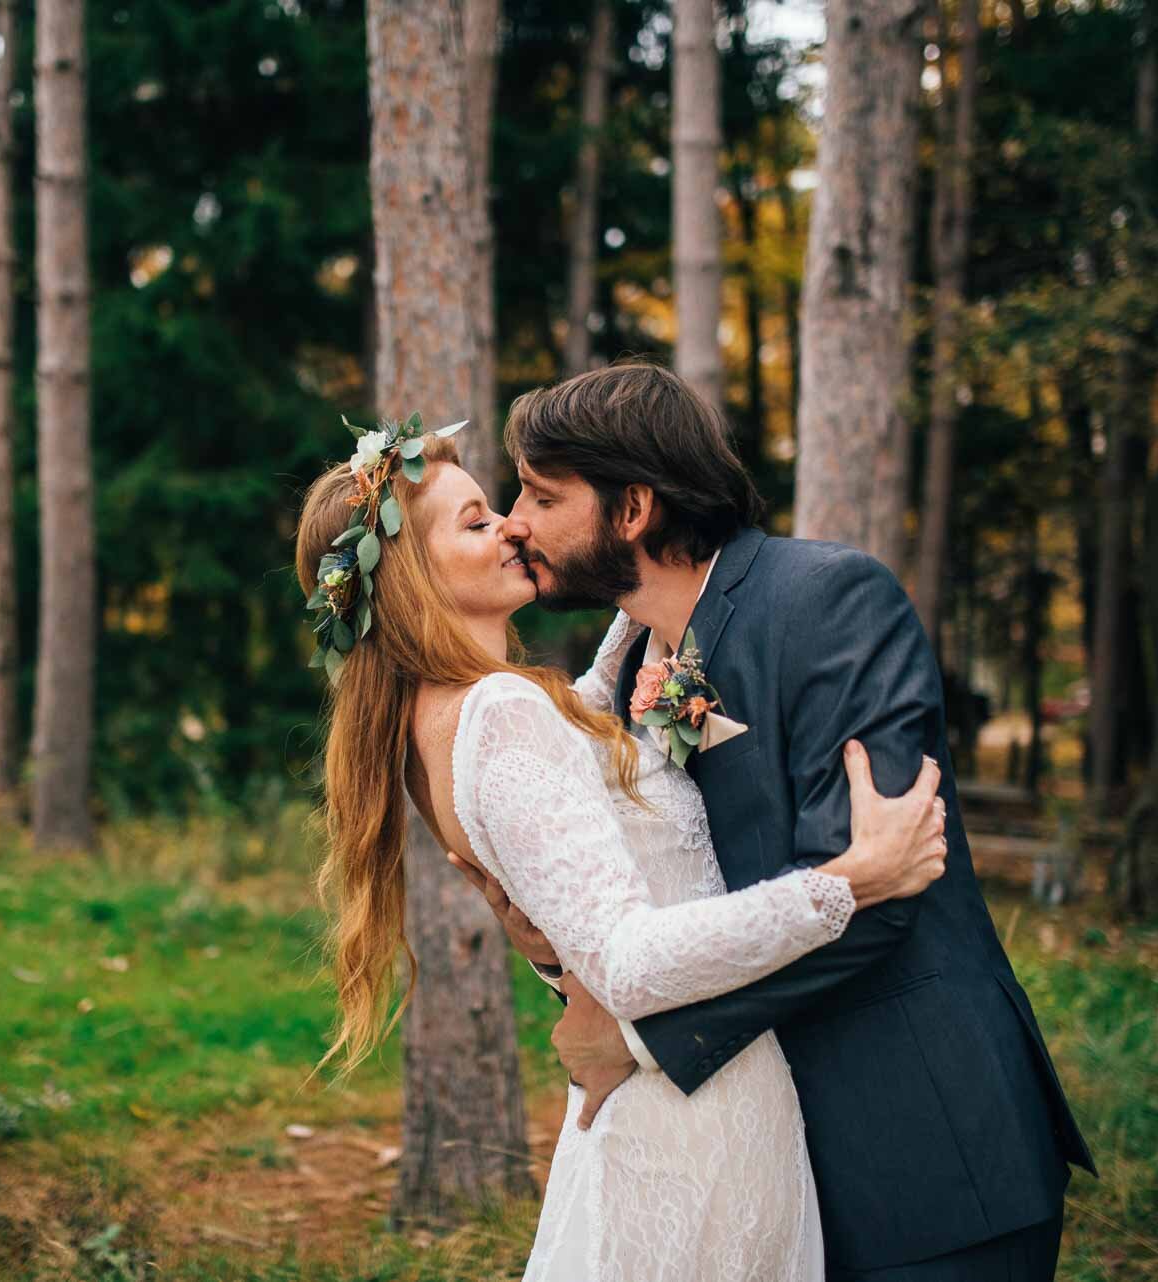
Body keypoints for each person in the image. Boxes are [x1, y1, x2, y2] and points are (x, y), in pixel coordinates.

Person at [463, 361, 1095, 1281]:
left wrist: (644, 1040)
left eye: (541, 493)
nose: (516, 519)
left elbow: (879, 890)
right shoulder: (631, 655)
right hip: (772, 1175)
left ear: (632, 508)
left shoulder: (831, 601)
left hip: (926, 1155)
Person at [294, 413, 949, 1281]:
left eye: (512, 505)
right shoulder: (501, 716)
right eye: (478, 519)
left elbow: (599, 713)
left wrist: (655, 562)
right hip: (696, 1122)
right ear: (411, 575)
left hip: (679, 1104)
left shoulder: (447, 722)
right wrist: (848, 883)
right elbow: (628, 962)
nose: (512, 526)